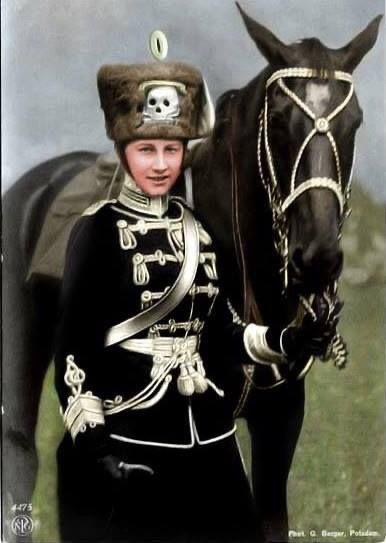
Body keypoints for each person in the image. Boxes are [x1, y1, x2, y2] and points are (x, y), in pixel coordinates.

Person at [54, 55, 338, 543]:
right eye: (147, 150)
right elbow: (74, 350)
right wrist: (95, 445)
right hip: (129, 441)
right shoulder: (97, 230)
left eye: (172, 149)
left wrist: (292, 339)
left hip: (210, 440)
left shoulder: (199, 230)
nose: (161, 164)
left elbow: (224, 333)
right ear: (124, 151)